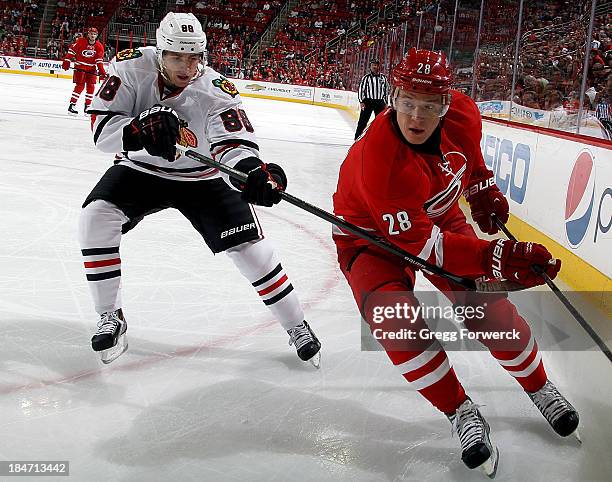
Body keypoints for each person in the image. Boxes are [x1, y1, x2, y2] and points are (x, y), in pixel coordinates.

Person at [333, 48, 579, 477]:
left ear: (447, 103)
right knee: (395, 321)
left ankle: (539, 387)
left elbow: (470, 157)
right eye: (408, 102)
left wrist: (482, 188)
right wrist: (496, 255)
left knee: (487, 305)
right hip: (369, 236)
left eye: (429, 105)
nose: (416, 116)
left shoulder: (465, 114)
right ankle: (460, 410)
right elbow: (429, 250)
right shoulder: (381, 161)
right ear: (393, 97)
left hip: (435, 214)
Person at [81, 12, 321, 366]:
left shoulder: (215, 91)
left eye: (194, 57)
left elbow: (234, 145)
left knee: (251, 251)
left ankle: (297, 324)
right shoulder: (129, 70)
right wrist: (137, 131)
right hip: (142, 169)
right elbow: (102, 133)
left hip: (203, 178)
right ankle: (110, 316)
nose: (186, 66)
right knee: (95, 217)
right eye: (177, 56)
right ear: (160, 52)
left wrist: (252, 174)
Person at [62, 27, 106, 114]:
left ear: (96, 36)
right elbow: (72, 51)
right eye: (91, 34)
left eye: (94, 34)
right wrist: (67, 60)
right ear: (88, 34)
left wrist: (101, 71)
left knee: (91, 87)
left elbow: (99, 60)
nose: (93, 36)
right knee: (80, 86)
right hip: (80, 67)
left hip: (91, 69)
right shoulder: (81, 41)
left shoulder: (99, 46)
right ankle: (72, 105)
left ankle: (87, 107)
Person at [354, 59, 389, 139]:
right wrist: (361, 101)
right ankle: (357, 138)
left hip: (379, 102)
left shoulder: (383, 78)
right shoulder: (366, 78)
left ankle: (378, 138)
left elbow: (386, 90)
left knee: (380, 122)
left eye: (375, 65)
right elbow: (361, 89)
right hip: (368, 101)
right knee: (362, 121)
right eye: (372, 65)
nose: (374, 66)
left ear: (378, 66)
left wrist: (386, 103)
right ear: (370, 66)